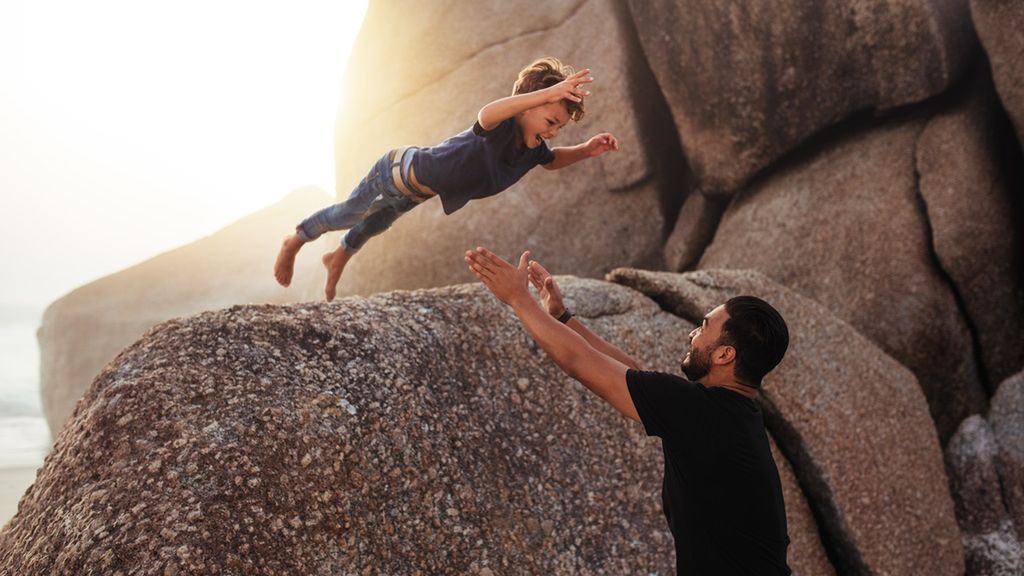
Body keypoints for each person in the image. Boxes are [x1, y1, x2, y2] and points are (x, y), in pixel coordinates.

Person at [464, 247, 792, 575]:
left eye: (704, 327)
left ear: (724, 355)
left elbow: (579, 362)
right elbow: (633, 373)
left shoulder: (702, 413)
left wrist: (518, 299)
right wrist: (562, 318)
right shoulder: (728, 415)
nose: (692, 334)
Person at [274, 57, 619, 301]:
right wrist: (545, 94)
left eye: (559, 126)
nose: (554, 132)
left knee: (374, 225)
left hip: (412, 193)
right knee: (349, 214)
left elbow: (553, 161)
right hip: (394, 170)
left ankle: (338, 257)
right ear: (526, 107)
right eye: (550, 120)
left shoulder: (532, 150)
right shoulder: (500, 127)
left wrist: (587, 150)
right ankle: (297, 238)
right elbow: (487, 113)